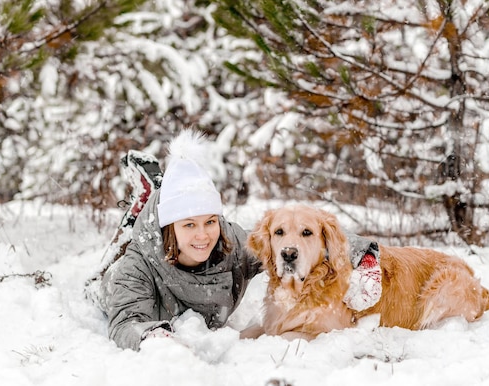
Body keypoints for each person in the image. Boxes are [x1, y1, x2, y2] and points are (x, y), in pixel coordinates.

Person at [101, 130, 381, 351]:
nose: (203, 235)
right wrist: (152, 335)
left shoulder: (230, 243)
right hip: (114, 280)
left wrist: (365, 257)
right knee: (106, 273)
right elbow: (124, 323)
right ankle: (140, 209)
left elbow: (298, 243)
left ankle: (157, 196)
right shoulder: (137, 266)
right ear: (171, 228)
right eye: (189, 225)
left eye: (210, 221)